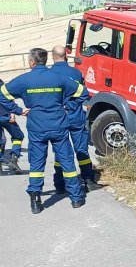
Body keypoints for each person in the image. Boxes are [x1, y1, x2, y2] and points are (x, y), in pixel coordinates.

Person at [0, 48, 89, 213]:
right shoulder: (58, 77)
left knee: (37, 164)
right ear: (45, 61)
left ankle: (35, 201)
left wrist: (18, 110)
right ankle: (76, 198)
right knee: (67, 161)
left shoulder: (24, 80)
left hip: (37, 128)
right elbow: (83, 92)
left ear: (32, 62)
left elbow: (2, 95)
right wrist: (69, 106)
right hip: (59, 126)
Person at [50, 45, 98, 193]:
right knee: (81, 150)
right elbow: (83, 93)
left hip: (58, 119)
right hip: (76, 117)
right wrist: (71, 105)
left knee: (60, 152)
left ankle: (59, 184)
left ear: (53, 57)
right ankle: (89, 181)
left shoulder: (49, 75)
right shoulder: (76, 73)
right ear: (65, 56)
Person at [0, 77, 25, 174]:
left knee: (2, 140)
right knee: (18, 136)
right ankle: (14, 157)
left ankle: (2, 160)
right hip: (5, 115)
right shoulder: (2, 85)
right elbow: (9, 98)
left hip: (5, 115)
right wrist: (13, 113)